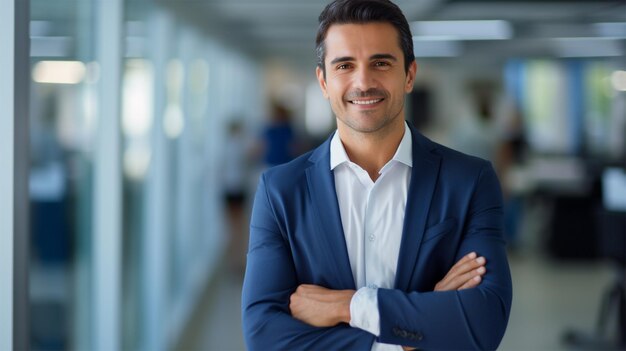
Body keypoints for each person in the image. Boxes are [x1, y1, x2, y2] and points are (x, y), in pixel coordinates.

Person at [242, 1, 512, 350]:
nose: (363, 82)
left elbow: (483, 322)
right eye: (344, 65)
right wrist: (408, 337)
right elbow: (264, 337)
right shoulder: (280, 190)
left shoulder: (470, 181)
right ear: (323, 81)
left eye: (381, 63)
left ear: (410, 75)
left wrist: (348, 306)